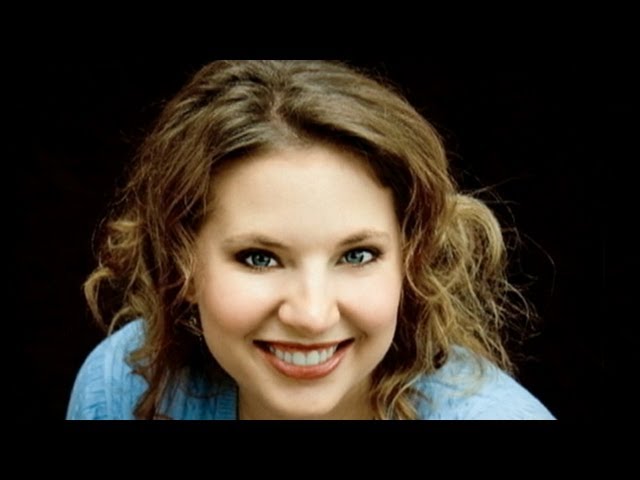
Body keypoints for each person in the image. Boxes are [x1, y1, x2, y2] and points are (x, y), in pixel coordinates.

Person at [66, 60, 555, 420]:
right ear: (182, 265)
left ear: (413, 261)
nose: (312, 316)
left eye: (357, 255)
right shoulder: (123, 388)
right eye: (259, 258)